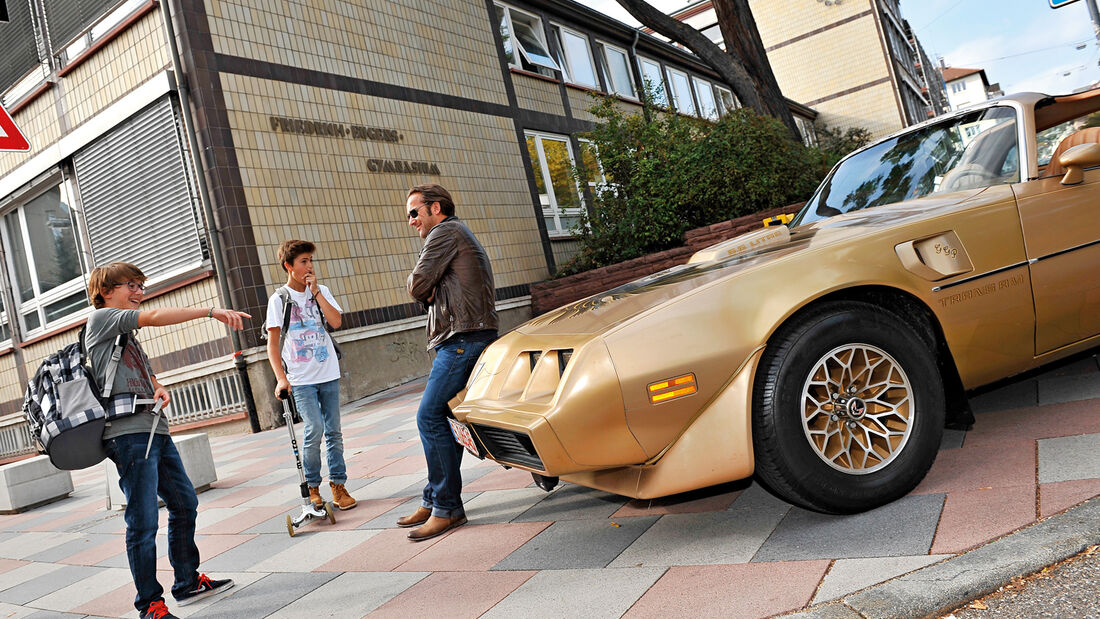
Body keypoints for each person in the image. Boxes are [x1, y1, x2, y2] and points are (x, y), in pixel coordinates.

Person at [86, 262, 244, 619]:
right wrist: (210, 310)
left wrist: (156, 384)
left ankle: (186, 582)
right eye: (131, 285)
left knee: (185, 503)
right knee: (142, 521)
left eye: (141, 285)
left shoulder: (125, 334)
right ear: (106, 292)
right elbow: (155, 315)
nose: (139, 292)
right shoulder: (102, 320)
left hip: (154, 428)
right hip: (128, 436)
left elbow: (135, 368)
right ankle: (150, 605)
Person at [397, 184, 498, 541]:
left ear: (435, 208)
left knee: (429, 415)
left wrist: (422, 285)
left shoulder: (444, 232)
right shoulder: (453, 233)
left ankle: (447, 508)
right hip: (464, 337)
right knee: (446, 419)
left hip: (462, 340)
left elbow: (417, 284)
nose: (410, 221)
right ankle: (435, 498)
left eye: (414, 212)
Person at [265, 240, 356, 511]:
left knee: (334, 432)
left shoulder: (321, 291)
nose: (309, 266)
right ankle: (313, 487)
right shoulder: (279, 299)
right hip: (301, 378)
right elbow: (272, 345)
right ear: (288, 266)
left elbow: (336, 322)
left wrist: (316, 292)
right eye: (303, 262)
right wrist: (281, 378)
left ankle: (338, 485)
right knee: (314, 429)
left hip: (328, 371)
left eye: (310, 261)